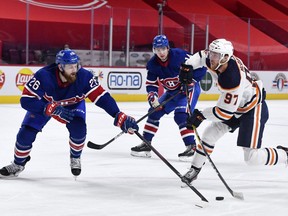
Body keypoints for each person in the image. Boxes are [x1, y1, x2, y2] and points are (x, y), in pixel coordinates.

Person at [0, 49, 139, 178]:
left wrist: (118, 115)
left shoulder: (84, 76)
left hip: (73, 106)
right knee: (25, 134)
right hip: (46, 105)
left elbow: (102, 97)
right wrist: (49, 108)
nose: (75, 70)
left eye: (76, 65)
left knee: (79, 129)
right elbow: (25, 100)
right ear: (60, 67)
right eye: (70, 67)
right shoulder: (44, 76)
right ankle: (18, 164)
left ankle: (75, 157)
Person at [181, 38, 288, 183]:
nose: (211, 58)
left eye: (215, 55)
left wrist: (201, 115)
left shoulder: (232, 78)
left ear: (225, 57)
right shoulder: (218, 59)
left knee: (252, 158)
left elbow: (223, 113)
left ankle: (285, 155)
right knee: (209, 134)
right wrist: (187, 66)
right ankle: (195, 169)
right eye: (212, 53)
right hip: (236, 106)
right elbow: (201, 56)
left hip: (252, 108)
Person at [130, 35, 207, 161]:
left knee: (181, 115)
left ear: (168, 48)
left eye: (163, 49)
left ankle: (191, 147)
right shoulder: (153, 64)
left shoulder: (180, 56)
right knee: (154, 112)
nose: (161, 52)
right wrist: (153, 97)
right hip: (172, 93)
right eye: (157, 49)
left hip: (189, 90)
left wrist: (191, 81)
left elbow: (202, 66)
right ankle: (146, 144)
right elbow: (151, 84)